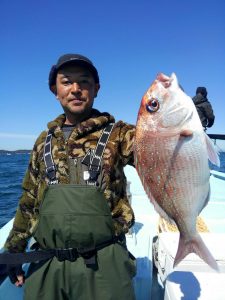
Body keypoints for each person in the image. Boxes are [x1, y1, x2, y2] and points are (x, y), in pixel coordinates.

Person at [3, 54, 137, 300]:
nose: (76, 89)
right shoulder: (44, 141)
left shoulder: (120, 133)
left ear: (96, 89)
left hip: (106, 262)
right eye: (66, 82)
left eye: (84, 82)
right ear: (56, 90)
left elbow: (159, 155)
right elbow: (29, 199)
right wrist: (13, 250)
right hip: (46, 262)